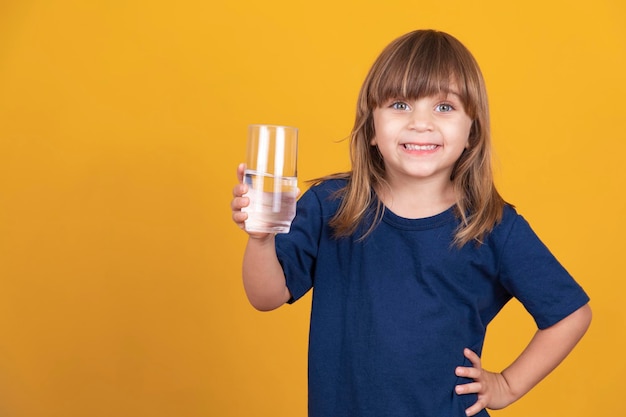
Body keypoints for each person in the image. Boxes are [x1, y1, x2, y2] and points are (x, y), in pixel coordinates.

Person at [230, 29, 591, 417]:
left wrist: (506, 384)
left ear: (473, 130)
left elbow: (571, 313)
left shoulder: (491, 226)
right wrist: (261, 240)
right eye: (400, 105)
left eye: (445, 107)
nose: (421, 123)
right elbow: (266, 296)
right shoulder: (330, 205)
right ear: (371, 127)